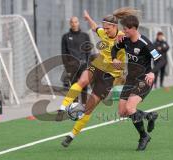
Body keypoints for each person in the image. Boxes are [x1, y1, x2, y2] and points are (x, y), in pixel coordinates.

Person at [57, 9, 128, 147]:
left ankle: (72, 135)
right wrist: (88, 18)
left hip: (110, 75)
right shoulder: (103, 32)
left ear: (115, 27)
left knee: (88, 108)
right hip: (98, 64)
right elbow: (95, 27)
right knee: (82, 81)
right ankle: (63, 106)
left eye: (107, 28)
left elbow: (131, 56)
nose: (105, 31)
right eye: (104, 28)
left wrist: (121, 66)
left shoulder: (123, 38)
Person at [111, 14, 165, 151]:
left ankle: (143, 137)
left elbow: (161, 60)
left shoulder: (145, 43)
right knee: (122, 112)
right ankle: (149, 116)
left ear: (134, 29)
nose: (124, 31)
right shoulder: (125, 40)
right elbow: (114, 48)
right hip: (130, 80)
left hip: (143, 80)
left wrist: (152, 72)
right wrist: (114, 59)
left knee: (130, 108)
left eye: (126, 29)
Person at [61, 16, 91, 104]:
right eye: (72, 22)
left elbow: (88, 51)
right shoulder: (65, 37)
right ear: (70, 24)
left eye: (76, 22)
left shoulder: (85, 36)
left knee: (84, 84)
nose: (74, 24)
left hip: (83, 65)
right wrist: (67, 67)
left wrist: (88, 65)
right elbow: (64, 53)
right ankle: (74, 105)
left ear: (78, 23)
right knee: (74, 86)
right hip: (72, 66)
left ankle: (84, 104)